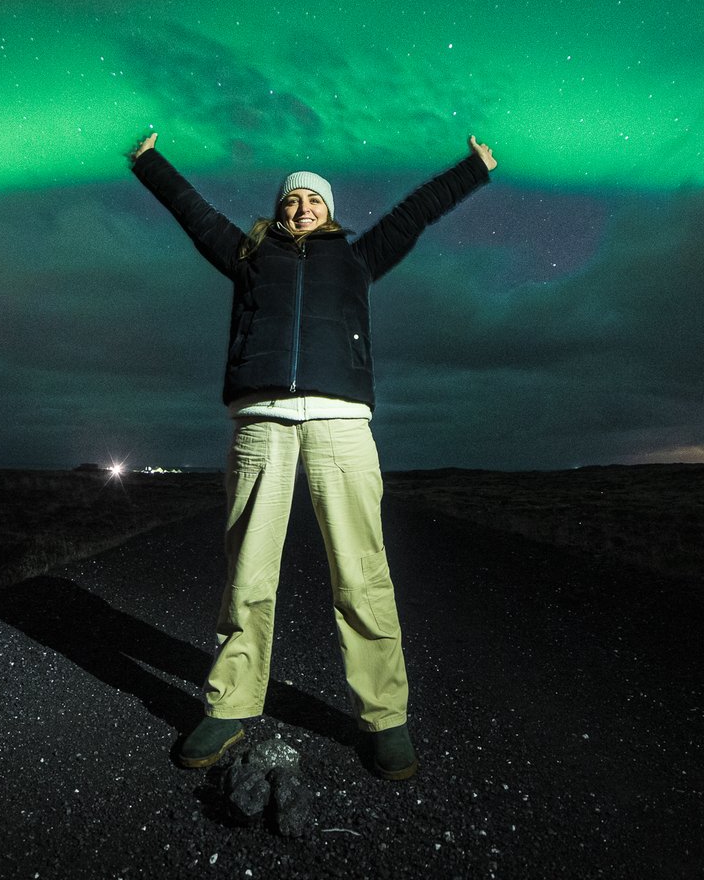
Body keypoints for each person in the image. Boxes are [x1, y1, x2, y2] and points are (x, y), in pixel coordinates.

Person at [128, 129, 497, 780]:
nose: (302, 207)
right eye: (292, 200)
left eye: (314, 200)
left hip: (341, 422)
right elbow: (194, 212)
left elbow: (415, 212)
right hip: (261, 420)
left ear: (329, 210)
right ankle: (229, 705)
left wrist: (473, 169)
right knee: (248, 573)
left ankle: (384, 716)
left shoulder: (356, 259)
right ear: (280, 209)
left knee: (362, 573)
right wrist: (149, 163)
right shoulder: (248, 256)